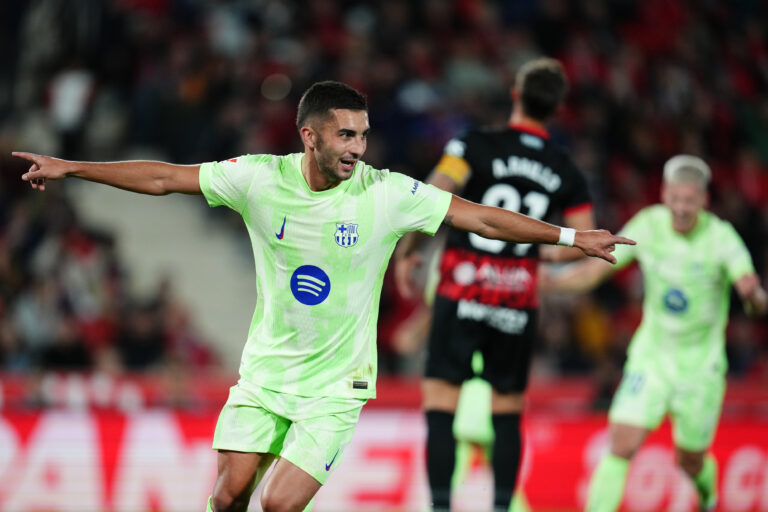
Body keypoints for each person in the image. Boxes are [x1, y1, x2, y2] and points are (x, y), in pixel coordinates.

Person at [14, 80, 633, 512]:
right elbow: (164, 177)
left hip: (337, 386)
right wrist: (73, 167)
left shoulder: (386, 193)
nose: (358, 149)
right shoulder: (259, 178)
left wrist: (571, 236)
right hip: (265, 373)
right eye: (345, 136)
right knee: (228, 497)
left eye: (362, 136)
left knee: (280, 504)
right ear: (309, 136)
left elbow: (481, 217)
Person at [395, 57, 594, 512]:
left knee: (441, 403)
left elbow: (433, 196)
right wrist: (538, 252)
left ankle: (440, 507)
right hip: (516, 296)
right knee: (506, 409)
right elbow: (582, 239)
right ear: (557, 108)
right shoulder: (565, 167)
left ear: (515, 95)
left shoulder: (473, 144)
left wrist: (409, 251)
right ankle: (502, 507)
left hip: (461, 288)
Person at [539, 154, 767, 512]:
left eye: (689, 200)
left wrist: (753, 297)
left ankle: (707, 496)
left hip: (700, 366)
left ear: (704, 199)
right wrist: (548, 285)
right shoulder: (648, 225)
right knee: (621, 444)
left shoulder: (722, 238)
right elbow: (594, 273)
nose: (681, 208)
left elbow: (755, 304)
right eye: (675, 198)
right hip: (653, 357)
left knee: (690, 461)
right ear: (664, 193)